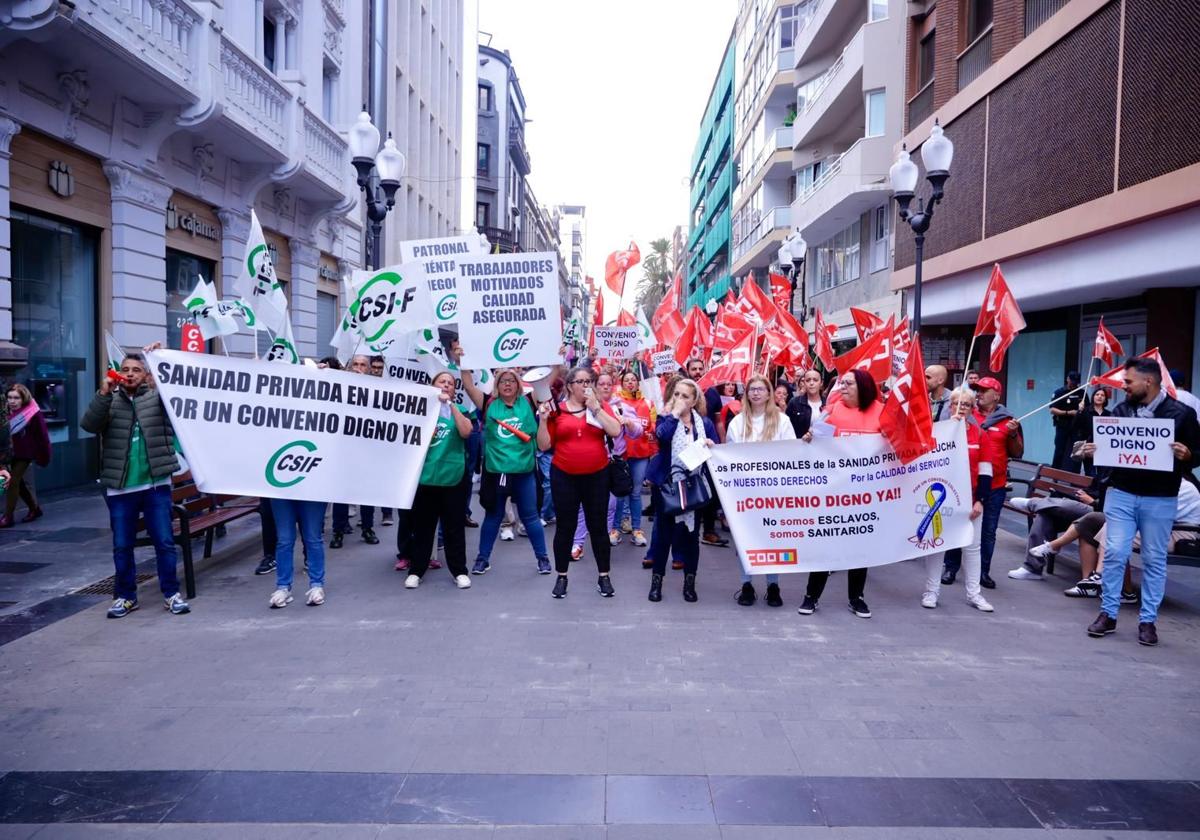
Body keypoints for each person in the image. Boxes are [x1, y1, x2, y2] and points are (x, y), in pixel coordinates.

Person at [1078, 358, 1200, 646]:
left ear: (1149, 381)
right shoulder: (1121, 410)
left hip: (1160, 498)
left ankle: (1148, 621)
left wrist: (1189, 456)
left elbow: (1198, 451)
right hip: (1121, 493)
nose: (1123, 386)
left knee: (1154, 558)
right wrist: (1094, 451)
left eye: (1129, 381)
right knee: (1116, 553)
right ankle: (1108, 613)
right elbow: (1108, 450)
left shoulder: (1181, 414)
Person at [80, 345, 191, 618]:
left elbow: (182, 394)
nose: (130, 374)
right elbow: (89, 425)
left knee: (164, 541)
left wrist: (161, 358)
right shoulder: (110, 400)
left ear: (146, 375)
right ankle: (126, 596)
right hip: (120, 488)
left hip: (155, 486)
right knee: (122, 545)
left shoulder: (158, 398)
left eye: (137, 370)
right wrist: (104, 393)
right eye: (125, 370)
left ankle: (171, 593)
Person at [798, 369, 882, 618]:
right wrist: (810, 437)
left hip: (865, 496)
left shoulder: (881, 411)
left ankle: (856, 598)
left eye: (848, 384)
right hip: (835, 494)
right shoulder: (833, 410)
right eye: (842, 383)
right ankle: (811, 596)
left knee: (860, 548)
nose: (842, 387)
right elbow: (818, 443)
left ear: (863, 387)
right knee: (827, 545)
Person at [537, 366, 622, 598]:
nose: (586, 385)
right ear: (569, 386)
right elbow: (543, 446)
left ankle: (604, 576)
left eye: (589, 381)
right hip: (564, 475)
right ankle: (561, 576)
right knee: (566, 526)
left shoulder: (600, 406)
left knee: (598, 527)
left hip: (597, 475)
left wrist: (596, 408)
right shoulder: (558, 411)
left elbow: (615, 431)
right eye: (580, 381)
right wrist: (544, 422)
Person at [462, 366, 550, 575]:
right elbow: (467, 383)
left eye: (512, 380)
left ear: (518, 384)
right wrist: (464, 361)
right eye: (503, 381)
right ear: (497, 385)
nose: (507, 384)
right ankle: (483, 559)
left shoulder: (529, 401)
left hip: (524, 472)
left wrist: (556, 358)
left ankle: (543, 559)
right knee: (493, 516)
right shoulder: (487, 403)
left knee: (530, 517)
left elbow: (548, 378)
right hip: (496, 473)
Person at [919, 388, 995, 611]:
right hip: (940, 500)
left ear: (973, 408)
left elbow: (986, 471)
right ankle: (931, 592)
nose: (961, 408)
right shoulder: (937, 432)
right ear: (949, 405)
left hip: (970, 501)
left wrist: (980, 500)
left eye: (966, 405)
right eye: (956, 403)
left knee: (972, 548)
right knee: (936, 546)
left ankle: (975, 594)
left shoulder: (980, 434)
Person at [942, 376, 1022, 589]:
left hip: (995, 485)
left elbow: (1018, 452)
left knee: (988, 530)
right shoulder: (967, 413)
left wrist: (1013, 435)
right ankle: (951, 567)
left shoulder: (1009, 421)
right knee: (957, 525)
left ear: (996, 395)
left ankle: (982, 571)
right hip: (964, 483)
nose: (979, 394)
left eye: (984, 390)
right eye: (977, 390)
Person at [646, 377, 717, 604]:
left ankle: (690, 583)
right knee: (663, 536)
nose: (679, 399)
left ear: (694, 400)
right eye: (676, 394)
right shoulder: (666, 418)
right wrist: (674, 414)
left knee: (690, 537)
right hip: (668, 485)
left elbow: (715, 449)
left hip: (692, 486)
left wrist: (710, 446)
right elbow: (662, 437)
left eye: (685, 396)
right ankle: (657, 582)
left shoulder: (703, 424)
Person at [726, 374, 795, 607]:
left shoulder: (782, 421)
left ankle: (773, 585)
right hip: (745, 494)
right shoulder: (737, 422)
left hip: (774, 492)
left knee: (772, 539)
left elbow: (791, 453)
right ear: (746, 394)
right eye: (751, 389)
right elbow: (729, 456)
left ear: (769, 393)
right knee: (745, 539)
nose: (756, 393)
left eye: (760, 389)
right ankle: (746, 584)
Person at [402, 371, 474, 591]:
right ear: (432, 386)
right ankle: (416, 570)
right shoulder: (420, 411)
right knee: (423, 528)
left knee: (453, 528)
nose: (446, 385)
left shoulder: (460, 410)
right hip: (426, 478)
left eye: (450, 383)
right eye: (442, 382)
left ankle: (459, 571)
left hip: (453, 478)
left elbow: (466, 432)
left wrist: (450, 405)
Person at [569, 371, 642, 551]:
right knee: (583, 505)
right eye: (601, 384)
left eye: (609, 384)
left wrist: (628, 423)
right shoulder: (581, 406)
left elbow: (637, 432)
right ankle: (578, 543)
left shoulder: (621, 407)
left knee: (610, 505)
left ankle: (604, 540)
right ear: (594, 386)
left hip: (612, 464)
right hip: (588, 463)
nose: (605, 387)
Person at [330, 354, 378, 547]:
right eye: (355, 364)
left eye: (363, 365)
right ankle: (338, 531)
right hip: (343, 449)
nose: (359, 367)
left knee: (366, 492)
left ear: (368, 369)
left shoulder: (377, 389)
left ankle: (367, 528)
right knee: (340, 492)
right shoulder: (340, 387)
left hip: (366, 449)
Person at [1007, 483, 1101, 581]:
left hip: (1101, 513)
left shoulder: (1116, 475)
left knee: (1062, 506)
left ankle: (1032, 503)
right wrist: (1083, 493)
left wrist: (1093, 501)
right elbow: (1095, 489)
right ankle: (1032, 569)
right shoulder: (1106, 471)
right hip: (1087, 507)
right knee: (1046, 514)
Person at [611, 370, 656, 547]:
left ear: (638, 383)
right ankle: (615, 529)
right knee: (619, 493)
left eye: (633, 380)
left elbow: (652, 429)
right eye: (627, 380)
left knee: (636, 493)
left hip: (640, 455)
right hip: (621, 455)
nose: (630, 383)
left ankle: (637, 529)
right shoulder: (617, 403)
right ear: (622, 384)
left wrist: (653, 452)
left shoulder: (648, 403)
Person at [3, 384, 50, 526]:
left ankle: (8, 517)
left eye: (16, 398)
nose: (12, 401)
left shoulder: (33, 412)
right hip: (8, 452)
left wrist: (44, 455)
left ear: (23, 398)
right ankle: (35, 509)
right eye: (10, 397)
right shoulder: (4, 412)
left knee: (12, 481)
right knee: (19, 483)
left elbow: (42, 435)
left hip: (25, 452)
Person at [1071, 387, 1111, 475]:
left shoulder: (1109, 414)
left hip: (1103, 447)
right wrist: (1079, 411)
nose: (1099, 397)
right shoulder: (1085, 411)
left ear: (1105, 399)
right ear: (1093, 397)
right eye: (1097, 394)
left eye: (1102, 395)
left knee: (1103, 474)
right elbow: (1075, 425)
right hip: (1089, 446)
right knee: (1090, 473)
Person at [1049, 371, 1082, 469]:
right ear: (1067, 379)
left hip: (1077, 426)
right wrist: (1068, 413)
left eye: (1076, 381)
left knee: (1077, 451)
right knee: (1059, 450)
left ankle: (1075, 476)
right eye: (1072, 380)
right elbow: (1052, 409)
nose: (1073, 383)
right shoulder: (1059, 392)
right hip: (1062, 425)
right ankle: (1055, 474)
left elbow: (1087, 409)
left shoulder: (1081, 393)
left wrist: (1082, 409)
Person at [785, 369, 824, 440]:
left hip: (823, 447)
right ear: (804, 383)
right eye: (808, 380)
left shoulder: (828, 403)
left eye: (815, 380)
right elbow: (787, 429)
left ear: (821, 383)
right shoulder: (794, 403)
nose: (811, 383)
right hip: (800, 446)